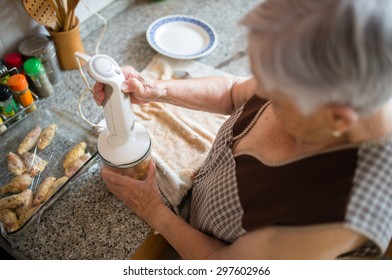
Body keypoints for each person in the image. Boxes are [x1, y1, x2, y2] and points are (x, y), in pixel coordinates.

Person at [93, 0, 392, 259]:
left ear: (337, 120)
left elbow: (223, 261)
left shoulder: (337, 217)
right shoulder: (315, 85)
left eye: (277, 96)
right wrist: (155, 89)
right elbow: (236, 92)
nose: (263, 95)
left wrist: (153, 210)